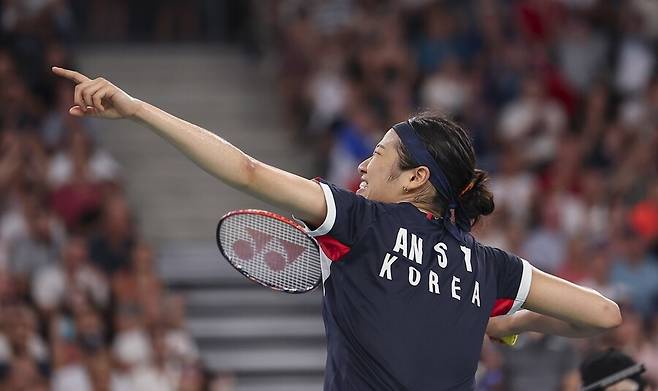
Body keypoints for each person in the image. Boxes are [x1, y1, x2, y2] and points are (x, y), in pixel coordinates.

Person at [51, 67, 622, 391]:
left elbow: (246, 170)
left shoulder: (363, 222)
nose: (364, 166)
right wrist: (508, 323)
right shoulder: (487, 267)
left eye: (378, 155)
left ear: (414, 179)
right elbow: (602, 315)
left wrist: (139, 110)